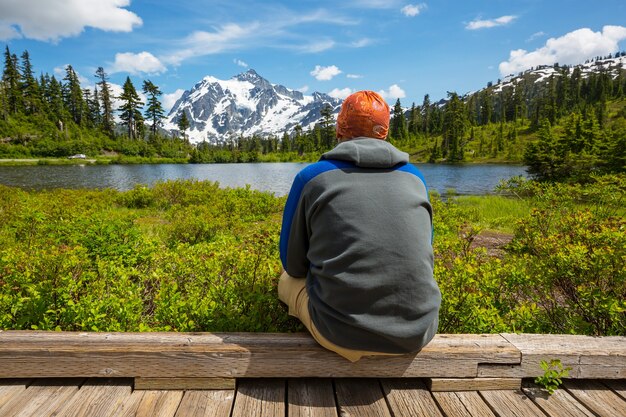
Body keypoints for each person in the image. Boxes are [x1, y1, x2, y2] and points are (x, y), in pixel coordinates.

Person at [278, 90, 440, 362]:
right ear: (384, 133)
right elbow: (426, 251)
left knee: (286, 281)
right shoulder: (416, 178)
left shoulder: (311, 177)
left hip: (339, 334)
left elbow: (293, 265)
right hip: (418, 332)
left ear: (340, 129)